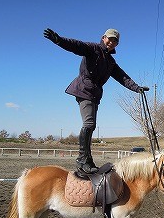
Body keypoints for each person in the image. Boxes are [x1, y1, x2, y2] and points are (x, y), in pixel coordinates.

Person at [43, 28, 149, 178]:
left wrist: (137, 88)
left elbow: (122, 77)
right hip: (83, 90)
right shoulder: (93, 49)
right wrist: (59, 40)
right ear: (103, 37)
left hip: (94, 94)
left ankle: (88, 160)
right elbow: (76, 46)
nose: (112, 42)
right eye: (110, 39)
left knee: (91, 126)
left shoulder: (111, 62)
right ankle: (82, 160)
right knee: (89, 124)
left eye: (115, 41)